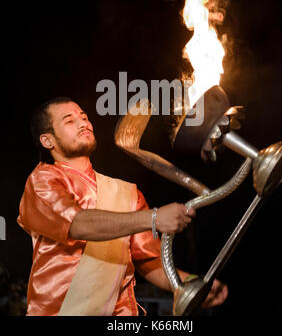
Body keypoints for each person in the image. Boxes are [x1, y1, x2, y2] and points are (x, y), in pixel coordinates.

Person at [17, 97, 228, 316]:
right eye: (69, 121)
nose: (84, 123)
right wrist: (153, 218)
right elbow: (77, 224)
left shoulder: (127, 193)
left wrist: (192, 284)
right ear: (47, 140)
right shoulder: (42, 180)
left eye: (84, 117)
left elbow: (149, 260)